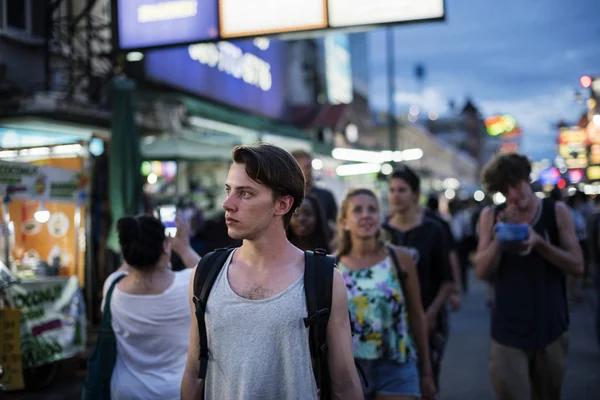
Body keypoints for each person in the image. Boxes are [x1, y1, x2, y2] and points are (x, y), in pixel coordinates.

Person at [181, 143, 362, 400]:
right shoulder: (206, 273)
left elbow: (345, 383)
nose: (227, 203)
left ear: (282, 204)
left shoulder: (323, 279)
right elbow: (192, 372)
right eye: (228, 190)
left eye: (245, 193)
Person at [474, 153, 583, 400]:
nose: (513, 194)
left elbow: (577, 266)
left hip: (551, 328)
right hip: (507, 331)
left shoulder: (556, 211)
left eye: (516, 184)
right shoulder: (491, 216)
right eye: (505, 189)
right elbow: (481, 270)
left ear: (527, 178)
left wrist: (540, 244)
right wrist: (500, 237)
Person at [337, 188, 436, 399]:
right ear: (345, 222)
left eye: (372, 209)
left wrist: (426, 371)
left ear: (380, 217)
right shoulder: (332, 266)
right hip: (350, 369)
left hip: (396, 363)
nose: (366, 215)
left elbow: (417, 315)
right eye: (358, 210)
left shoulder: (400, 259)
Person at [101, 214, 200, 400]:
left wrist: (135, 244)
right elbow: (212, 277)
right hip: (176, 391)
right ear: (165, 247)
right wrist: (184, 248)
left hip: (125, 392)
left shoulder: (112, 286)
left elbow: (128, 262)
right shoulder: (188, 282)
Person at [382, 166, 455, 390]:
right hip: (389, 323)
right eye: (392, 190)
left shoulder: (433, 230)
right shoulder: (381, 232)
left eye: (402, 190)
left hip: (430, 318)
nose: (395, 195)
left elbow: (447, 280)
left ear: (415, 194)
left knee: (427, 379)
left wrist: (430, 314)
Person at [425, 194, 463, 311]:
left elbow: (450, 255)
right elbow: (452, 256)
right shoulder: (441, 224)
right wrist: (455, 289)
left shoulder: (437, 226)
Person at [292, 149, 338, 238]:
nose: (310, 171)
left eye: (310, 167)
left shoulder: (326, 196)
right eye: (306, 167)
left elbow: (335, 225)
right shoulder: (286, 197)